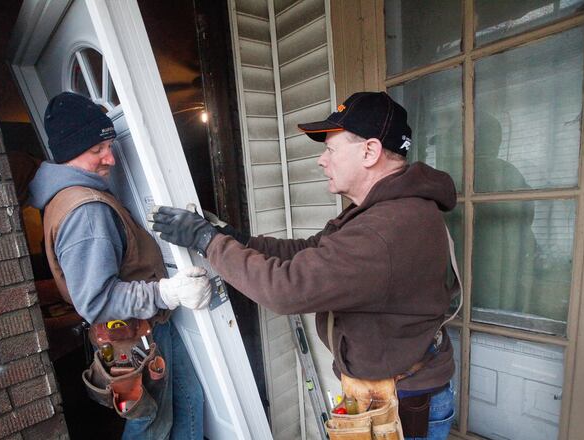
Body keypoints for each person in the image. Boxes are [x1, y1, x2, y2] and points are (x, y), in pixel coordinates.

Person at [152, 92, 458, 439]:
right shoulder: (384, 209)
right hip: (386, 388)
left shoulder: (384, 228)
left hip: (402, 403)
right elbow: (310, 250)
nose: (321, 161)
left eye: (330, 149)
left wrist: (207, 241)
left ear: (370, 152)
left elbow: (286, 289)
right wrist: (237, 239)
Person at [28, 91, 207, 439]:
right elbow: (95, 301)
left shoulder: (74, 195)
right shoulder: (86, 212)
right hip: (135, 339)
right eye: (97, 150)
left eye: (108, 146)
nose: (110, 158)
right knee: (149, 423)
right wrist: (166, 291)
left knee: (185, 403)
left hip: (137, 334)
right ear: (69, 153)